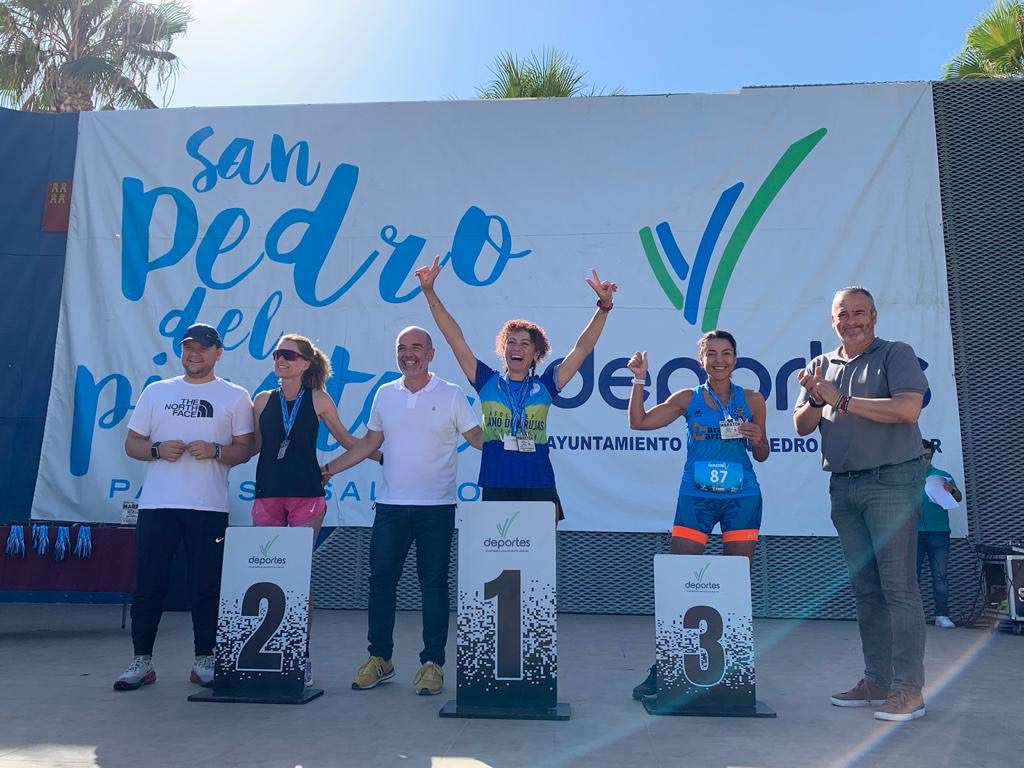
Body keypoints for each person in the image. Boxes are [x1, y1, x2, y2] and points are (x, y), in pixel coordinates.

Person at [321, 326, 482, 696]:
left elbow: (475, 437)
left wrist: (511, 444)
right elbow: (369, 443)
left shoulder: (451, 393)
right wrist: (327, 470)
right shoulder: (385, 393)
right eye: (402, 348)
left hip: (437, 509)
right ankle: (380, 658)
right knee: (381, 583)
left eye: (416, 347)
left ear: (431, 354)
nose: (409, 354)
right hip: (390, 508)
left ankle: (432, 664)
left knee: (433, 585)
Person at [794, 286, 929, 722]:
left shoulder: (895, 353)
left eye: (858, 313)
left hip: (891, 482)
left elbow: (908, 410)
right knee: (866, 589)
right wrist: (817, 398)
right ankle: (878, 681)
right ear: (832, 320)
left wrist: (841, 400)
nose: (851, 321)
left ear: (873, 315)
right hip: (844, 486)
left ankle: (909, 690)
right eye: (843, 314)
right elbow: (801, 426)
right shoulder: (821, 365)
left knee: (898, 588)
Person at [414, 255, 616, 521]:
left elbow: (582, 348)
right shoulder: (487, 381)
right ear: (503, 349)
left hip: (538, 483)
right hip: (497, 482)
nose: (516, 348)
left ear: (536, 354)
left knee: (538, 548)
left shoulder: (546, 385)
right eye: (511, 342)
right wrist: (429, 292)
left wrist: (604, 307)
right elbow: (455, 338)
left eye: (524, 344)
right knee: (497, 547)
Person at [626, 330, 770, 700]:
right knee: (682, 581)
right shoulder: (687, 398)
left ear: (736, 359)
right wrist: (639, 380)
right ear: (701, 359)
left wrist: (757, 438)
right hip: (696, 498)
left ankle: (731, 668)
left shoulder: (753, 399)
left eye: (726, 353)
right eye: (712, 354)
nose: (719, 360)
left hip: (742, 498)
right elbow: (639, 422)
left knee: (736, 585)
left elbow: (763, 453)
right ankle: (667, 668)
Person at [115, 323, 255, 691]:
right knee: (149, 585)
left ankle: (204, 659)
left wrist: (217, 451)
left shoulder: (235, 396)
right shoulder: (157, 391)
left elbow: (246, 448)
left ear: (218, 353)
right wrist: (157, 450)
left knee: (205, 586)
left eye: (203, 348)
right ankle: (141, 661)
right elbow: (132, 443)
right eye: (188, 347)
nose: (195, 354)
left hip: (208, 507)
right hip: (157, 504)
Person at [251, 333, 382, 687]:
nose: (281, 360)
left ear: (306, 364)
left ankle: (299, 655)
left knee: (297, 576)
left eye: (289, 355)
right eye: (277, 354)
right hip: (267, 495)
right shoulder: (262, 400)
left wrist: (384, 457)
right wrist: (215, 454)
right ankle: (265, 653)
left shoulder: (319, 399)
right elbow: (253, 446)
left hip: (306, 496)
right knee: (266, 575)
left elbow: (347, 440)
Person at [918, 438, 962, 629]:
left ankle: (942, 614)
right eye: (920, 457)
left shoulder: (942, 476)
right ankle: (914, 616)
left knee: (940, 575)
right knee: (912, 576)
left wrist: (951, 490)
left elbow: (958, 497)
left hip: (939, 532)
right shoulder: (906, 477)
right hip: (913, 532)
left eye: (927, 457)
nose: (924, 460)